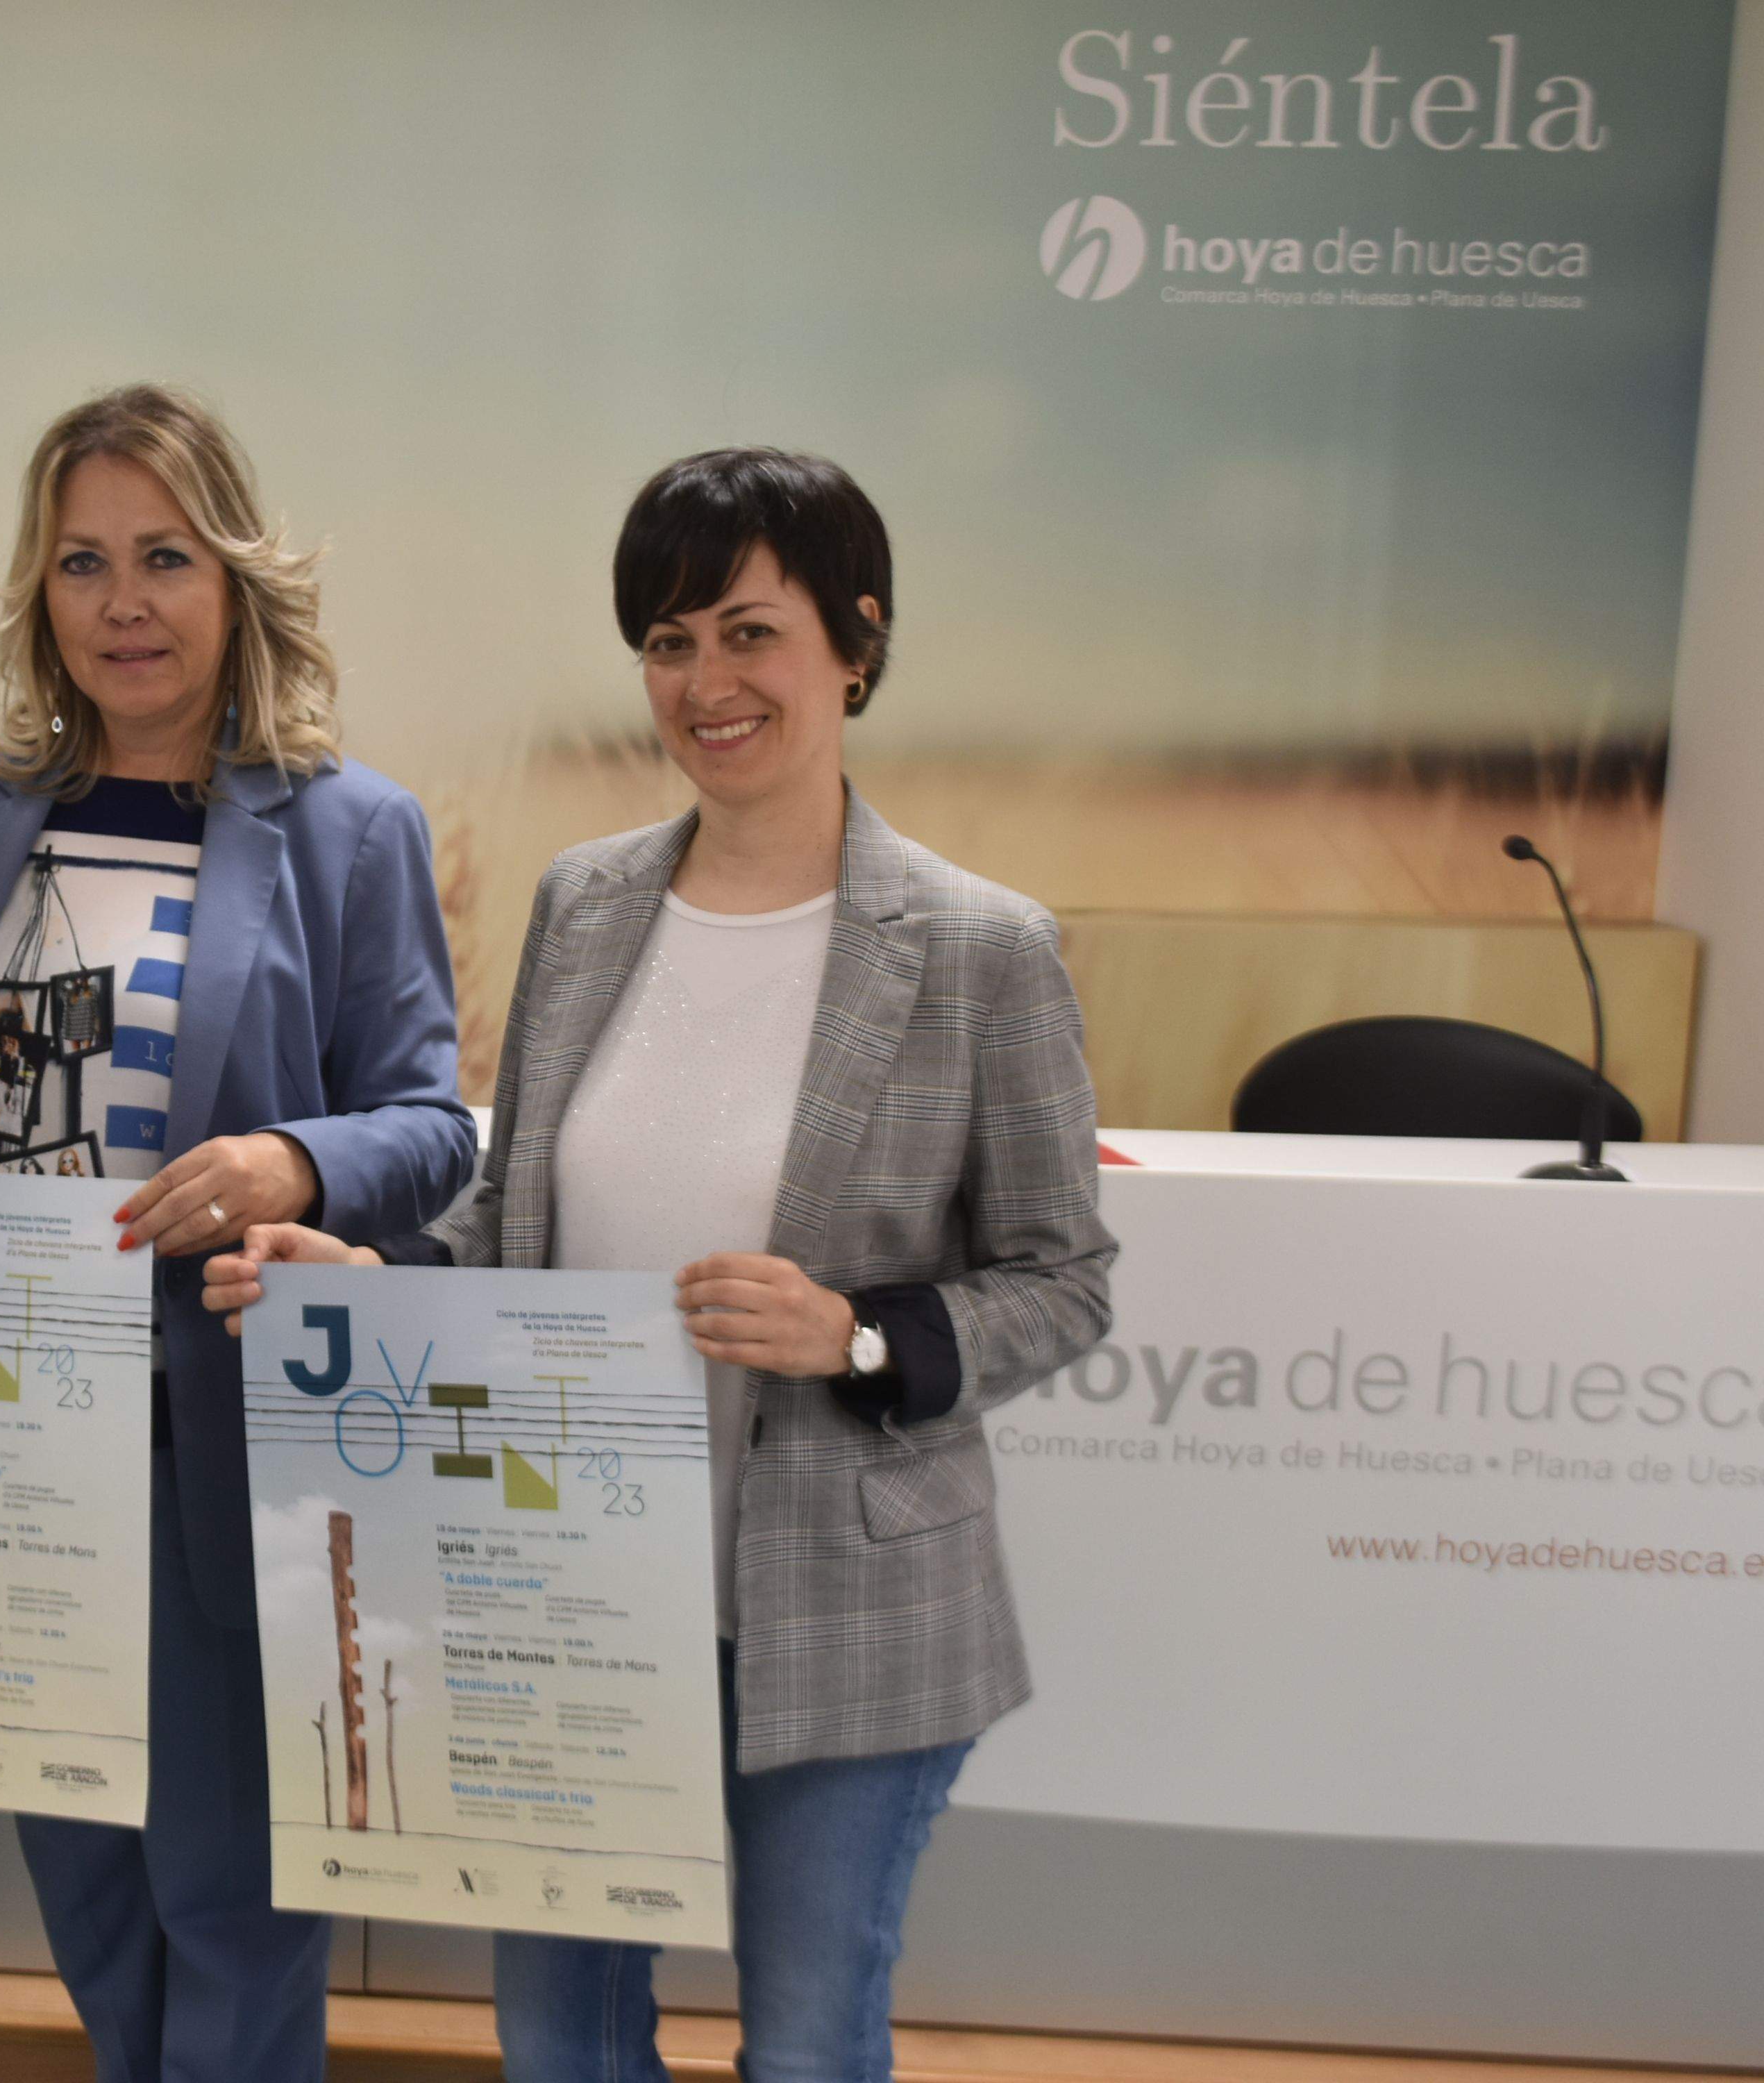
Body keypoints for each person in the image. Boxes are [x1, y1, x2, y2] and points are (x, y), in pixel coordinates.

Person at [204, 450, 1115, 2083]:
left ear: (855, 642)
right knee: (557, 2041)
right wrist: (361, 1271)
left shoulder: (983, 949)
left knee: (808, 2043)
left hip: (846, 1605)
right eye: (670, 642)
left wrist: (855, 1334)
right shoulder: (587, 904)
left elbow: (1062, 1279)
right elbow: (514, 1225)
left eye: (750, 634)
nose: (707, 683)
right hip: (568, 1586)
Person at [0, 383, 474, 2082]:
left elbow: (433, 1128)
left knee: (229, 1894)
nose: (124, 602)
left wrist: (288, 1162)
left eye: (165, 557)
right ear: (39, 592)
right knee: (91, 1895)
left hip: (213, 1439)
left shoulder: (347, 825)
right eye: (82, 562)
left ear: (237, 577)